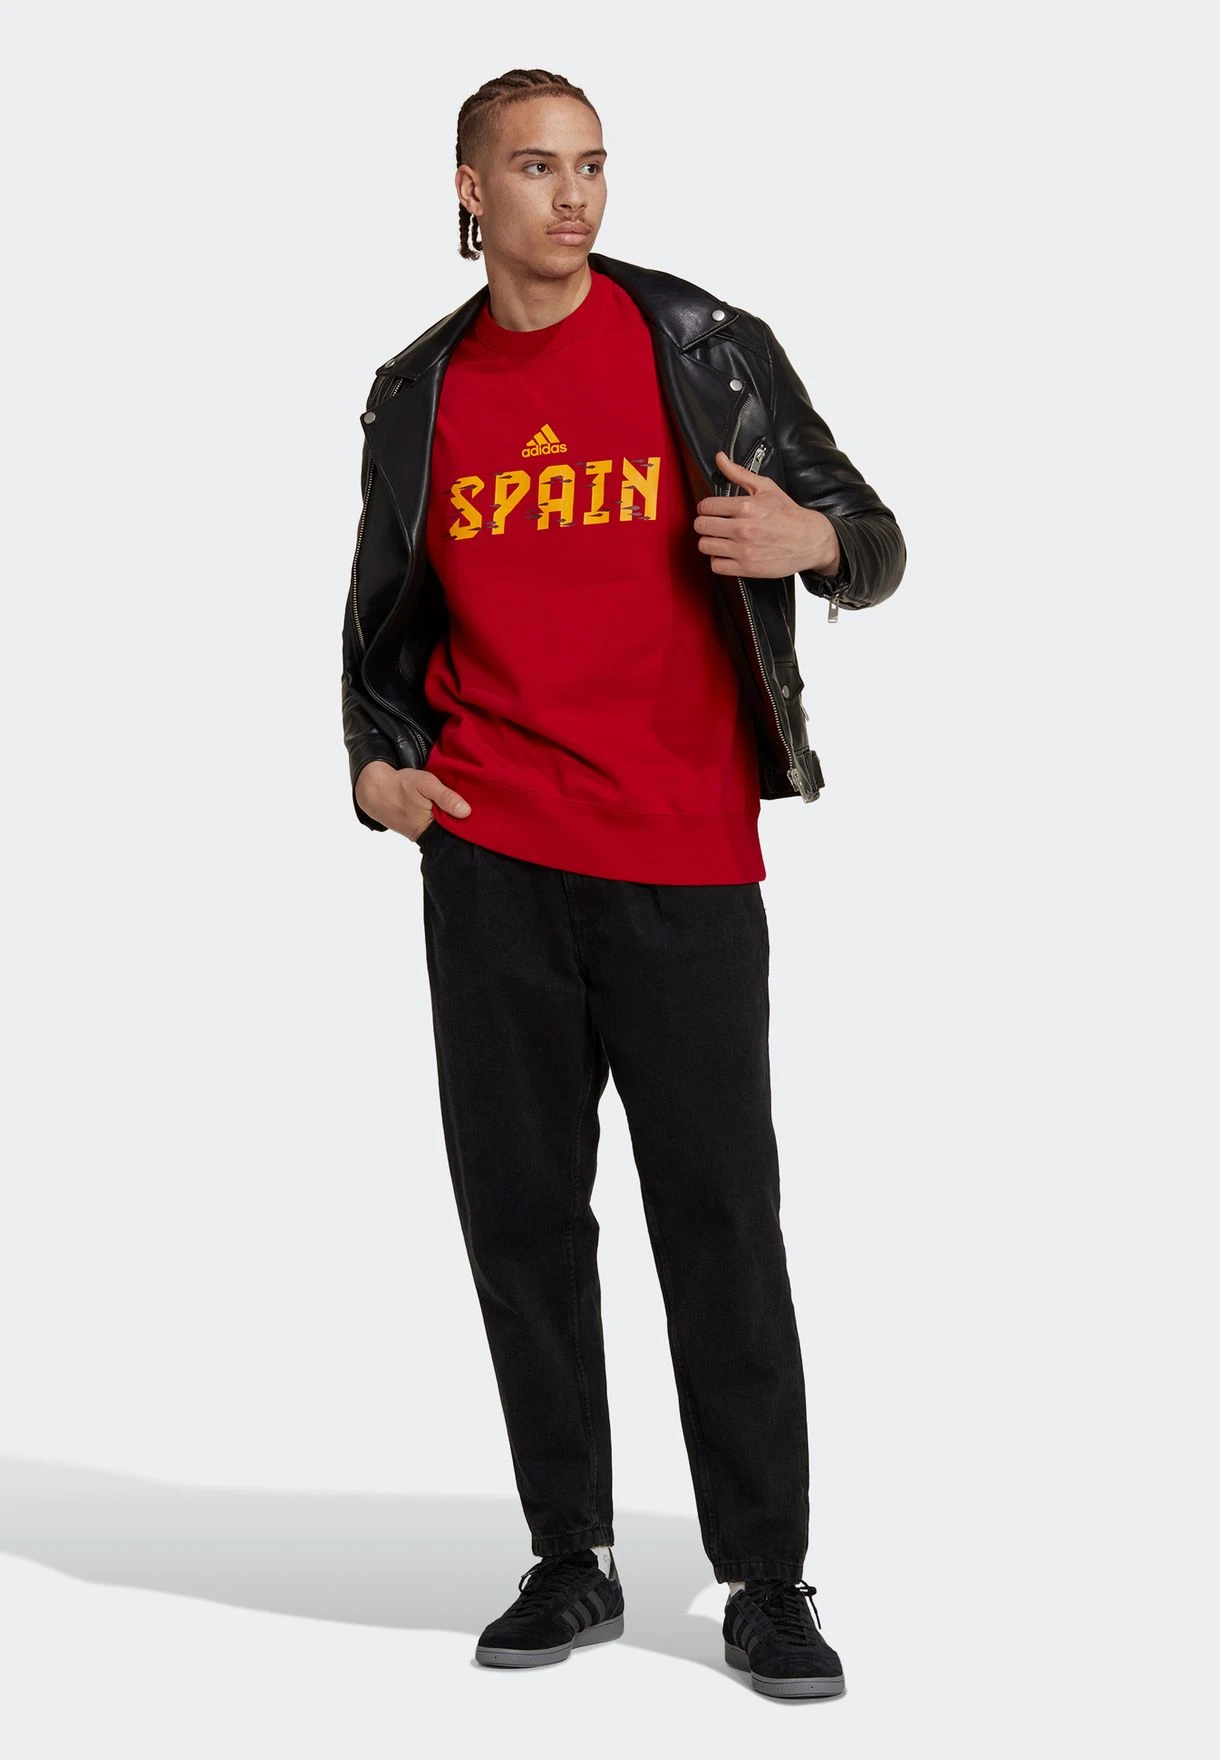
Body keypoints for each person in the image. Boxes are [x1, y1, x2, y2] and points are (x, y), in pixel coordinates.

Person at [340, 66, 906, 1700]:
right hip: (492, 859)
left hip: (681, 856)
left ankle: (768, 1579)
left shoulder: (704, 344)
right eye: (536, 167)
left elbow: (875, 536)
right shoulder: (418, 393)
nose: (574, 195)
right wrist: (376, 768)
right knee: (521, 1221)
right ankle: (570, 1557)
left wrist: (817, 547)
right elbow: (377, 626)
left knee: (719, 1221)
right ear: (471, 189)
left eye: (591, 164)